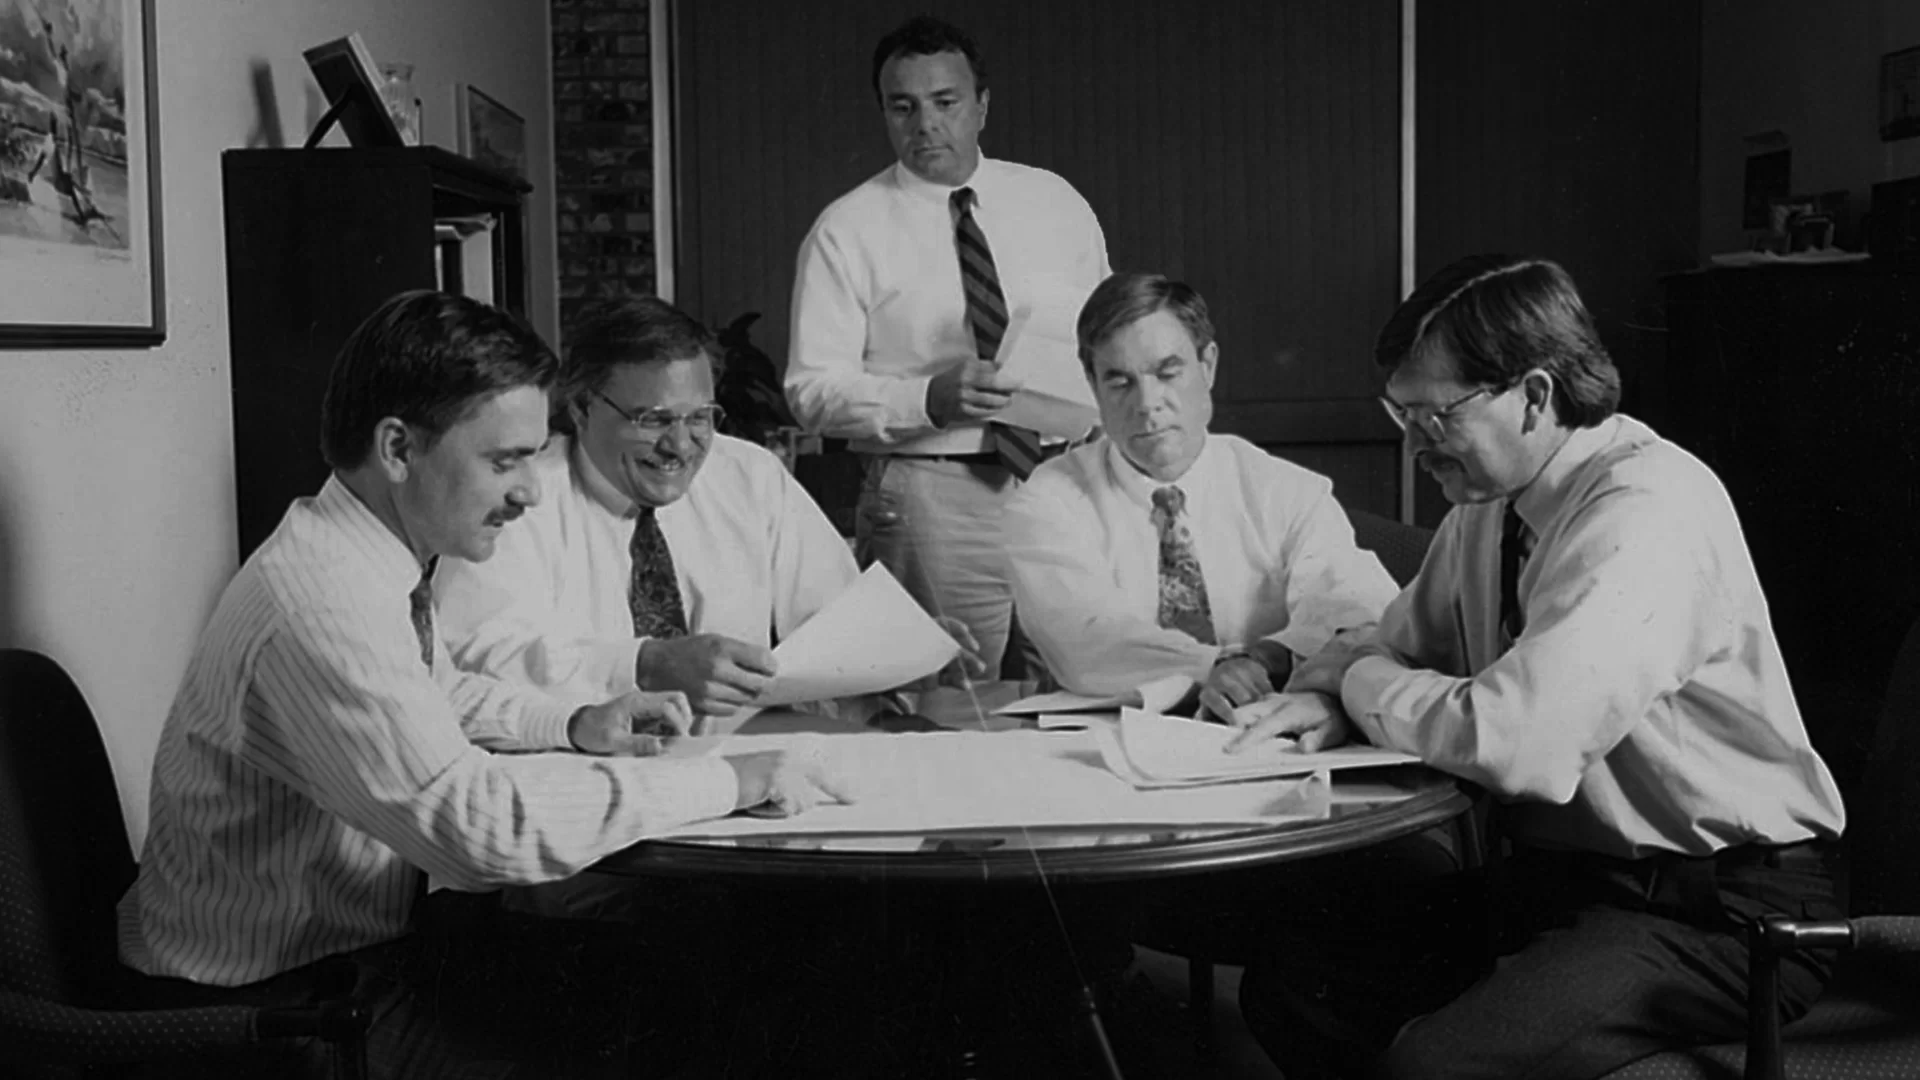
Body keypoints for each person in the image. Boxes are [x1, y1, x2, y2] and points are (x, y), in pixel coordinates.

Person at [118, 291, 848, 1078]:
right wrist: (728, 782)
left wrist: (575, 723)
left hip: (351, 952)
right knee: (676, 1035)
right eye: (504, 461)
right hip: (279, 1008)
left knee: (685, 987)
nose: (532, 491)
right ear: (398, 449)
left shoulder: (355, 553)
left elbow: (440, 693)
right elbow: (480, 830)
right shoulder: (320, 602)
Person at [1231, 255, 1847, 1080]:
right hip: (1580, 885)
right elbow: (1389, 640)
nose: (1414, 441)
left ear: (1533, 395)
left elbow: (1522, 745)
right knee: (1293, 981)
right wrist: (1344, 688)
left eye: (1435, 415)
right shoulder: (1489, 507)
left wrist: (1357, 688)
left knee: (1436, 1066)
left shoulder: (1647, 511)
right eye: (1400, 412)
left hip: (1719, 909)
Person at [435, 294, 979, 728]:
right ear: (580, 408)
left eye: (700, 417)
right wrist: (644, 666)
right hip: (585, 769)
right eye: (653, 419)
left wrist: (898, 648)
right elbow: (480, 655)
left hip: (742, 766)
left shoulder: (750, 475)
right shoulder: (520, 497)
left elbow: (828, 622)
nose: (682, 445)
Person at [786, 14, 1110, 678]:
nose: (924, 124)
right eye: (902, 107)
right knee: (947, 697)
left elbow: (1107, 341)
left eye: (945, 102)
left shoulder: (1055, 203)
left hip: (1063, 481)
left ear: (981, 107)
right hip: (931, 493)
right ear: (883, 112)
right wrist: (925, 398)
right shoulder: (846, 230)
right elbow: (810, 392)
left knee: (1081, 685)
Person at [1005, 271, 1400, 721]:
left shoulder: (1287, 491)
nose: (1147, 404)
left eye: (1167, 373)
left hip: (1262, 730)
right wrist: (1212, 667)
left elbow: (1358, 606)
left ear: (1207, 365)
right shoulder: (1047, 501)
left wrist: (1270, 657)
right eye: (1119, 382)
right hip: (1108, 739)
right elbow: (1082, 637)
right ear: (1092, 384)